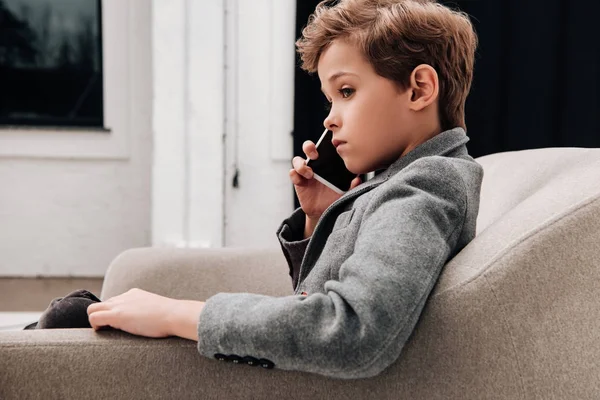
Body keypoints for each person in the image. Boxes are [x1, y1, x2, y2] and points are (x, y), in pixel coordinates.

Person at [87, 0, 483, 379]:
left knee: (72, 320)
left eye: (346, 92)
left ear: (419, 89)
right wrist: (321, 218)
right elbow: (315, 294)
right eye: (330, 100)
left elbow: (349, 331)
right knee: (77, 314)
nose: (329, 120)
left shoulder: (427, 184)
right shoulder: (396, 181)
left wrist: (176, 314)